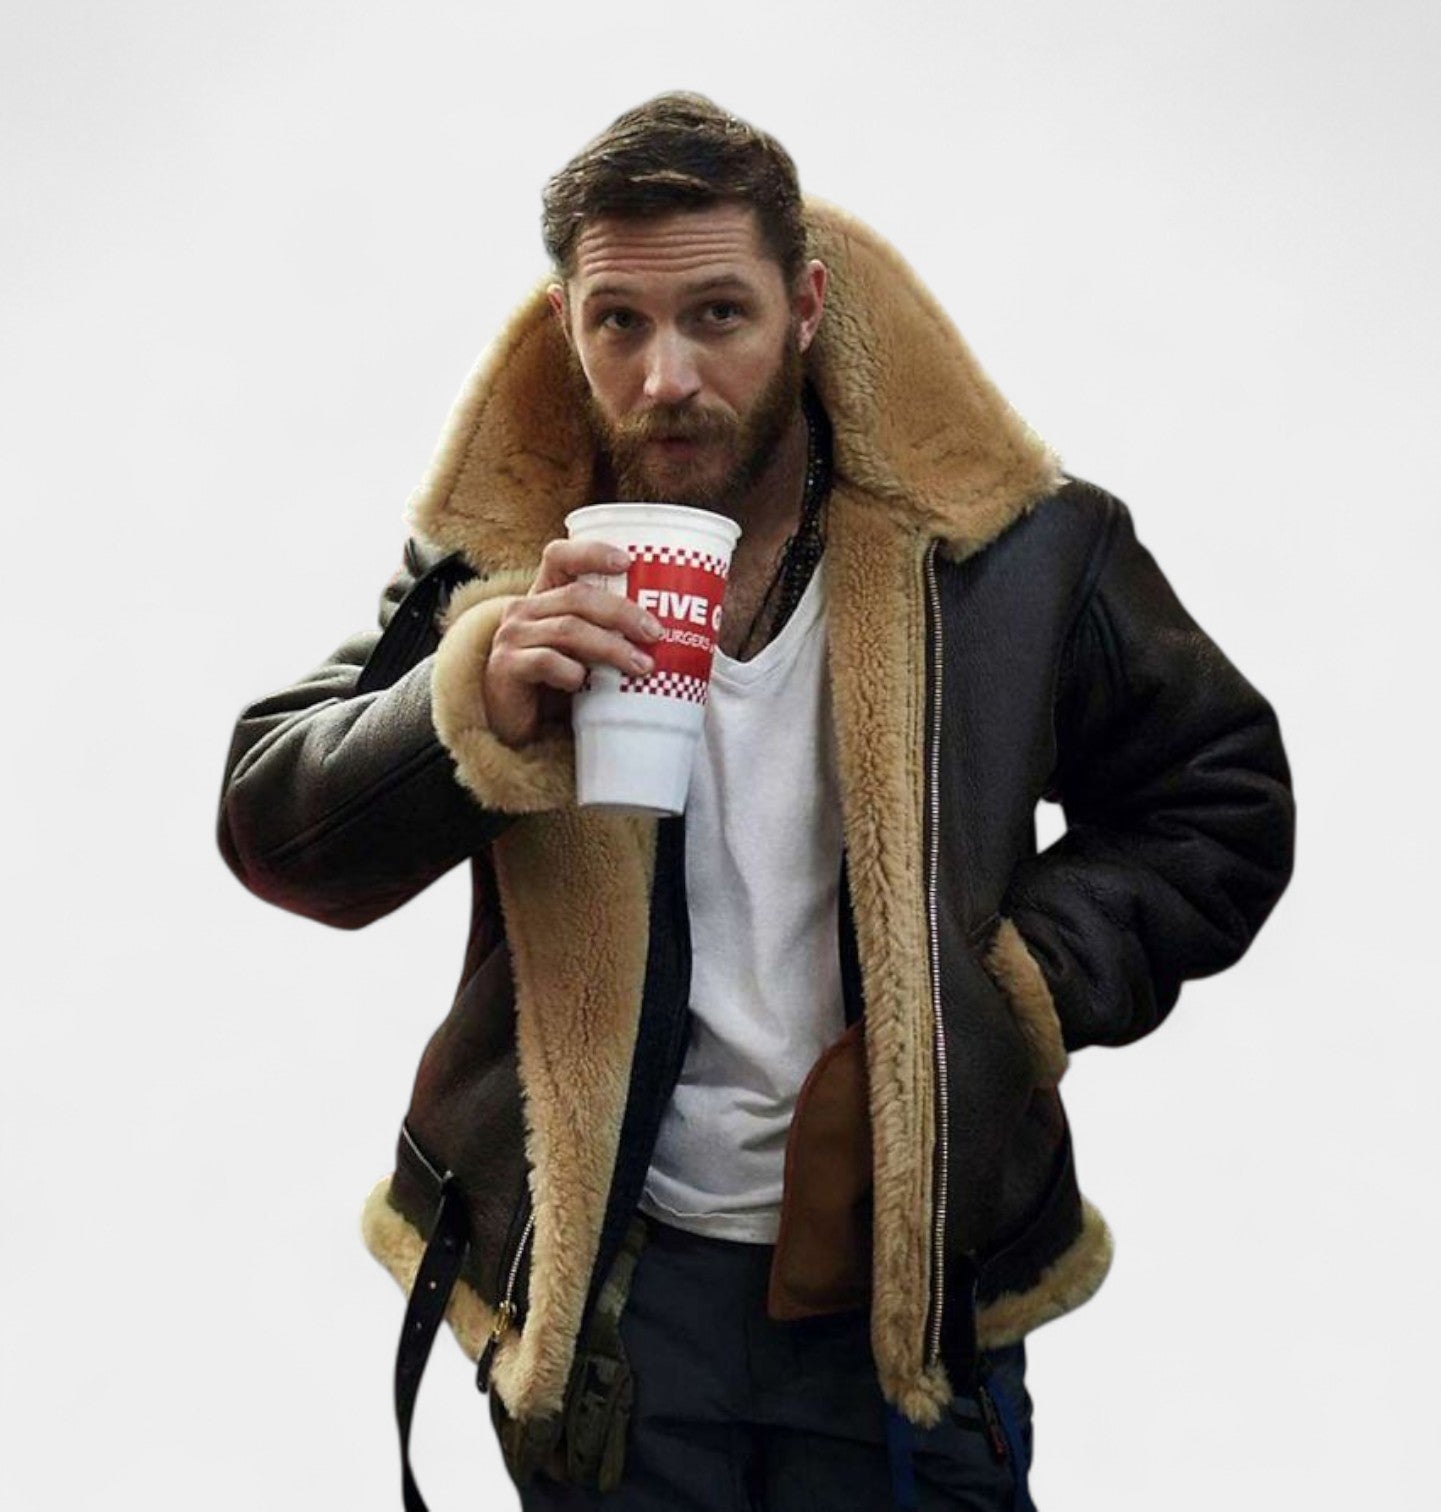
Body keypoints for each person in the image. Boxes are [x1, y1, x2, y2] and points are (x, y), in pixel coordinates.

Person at [218, 93, 1295, 1511]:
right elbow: (272, 817)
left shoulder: (1009, 554)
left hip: (902, 1289)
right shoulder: (506, 562)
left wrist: (1011, 992)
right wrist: (465, 706)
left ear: (806, 308)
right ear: (567, 324)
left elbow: (1220, 797)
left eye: (717, 315)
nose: (665, 375)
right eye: (618, 323)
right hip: (617, 1301)